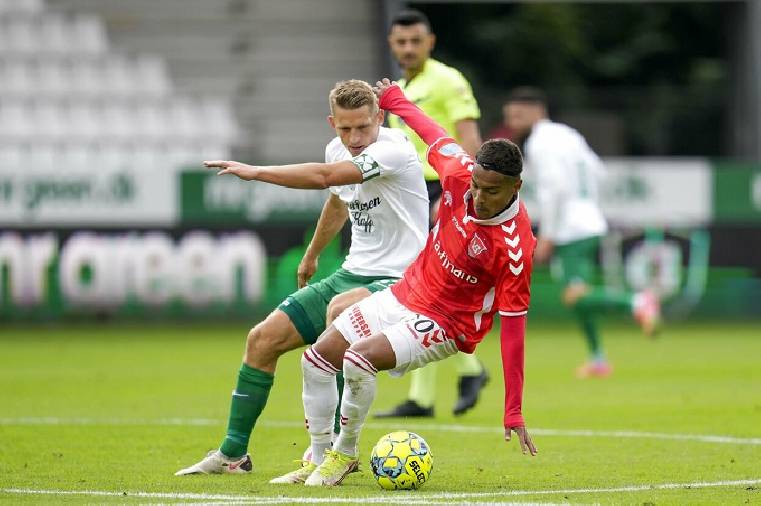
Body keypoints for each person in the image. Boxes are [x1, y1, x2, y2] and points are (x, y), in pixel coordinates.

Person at [270, 79, 537, 486]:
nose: (479, 198)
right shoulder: (460, 173)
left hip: (449, 322)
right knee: (317, 359)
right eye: (477, 187)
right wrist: (396, 99)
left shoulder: (515, 248)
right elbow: (433, 133)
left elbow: (514, 330)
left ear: (515, 187)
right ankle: (317, 457)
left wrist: (513, 408)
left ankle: (344, 455)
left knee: (359, 359)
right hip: (406, 292)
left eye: (492, 192)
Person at [175, 79, 429, 475]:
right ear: (333, 123)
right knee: (262, 339)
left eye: (363, 126)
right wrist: (312, 254)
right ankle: (232, 455)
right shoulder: (337, 150)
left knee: (341, 316)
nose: (355, 137)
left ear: (379, 117)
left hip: (403, 279)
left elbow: (324, 178)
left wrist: (256, 172)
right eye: (345, 129)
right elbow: (338, 200)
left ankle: (337, 455)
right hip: (353, 272)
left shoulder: (393, 149)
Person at [377, 8, 489, 419]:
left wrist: (462, 195)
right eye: (400, 42)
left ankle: (463, 372)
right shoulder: (402, 89)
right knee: (422, 289)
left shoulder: (447, 80)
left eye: (415, 41)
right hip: (414, 194)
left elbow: (470, 139)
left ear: (430, 42)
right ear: (392, 44)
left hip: (444, 189)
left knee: (428, 288)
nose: (407, 48)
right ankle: (433, 391)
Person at [503, 87, 661, 378]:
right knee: (578, 293)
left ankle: (638, 302)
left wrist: (547, 234)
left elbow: (557, 189)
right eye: (509, 115)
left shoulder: (540, 142)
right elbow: (597, 171)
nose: (512, 120)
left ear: (537, 111)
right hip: (589, 219)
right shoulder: (568, 135)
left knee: (574, 294)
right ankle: (598, 358)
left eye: (517, 113)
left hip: (570, 227)